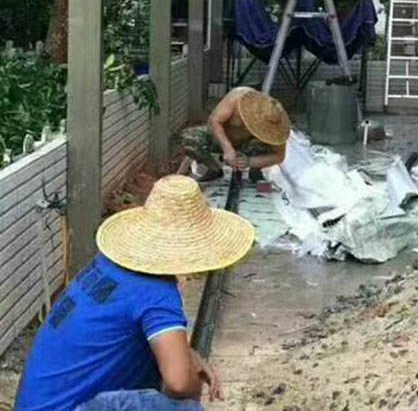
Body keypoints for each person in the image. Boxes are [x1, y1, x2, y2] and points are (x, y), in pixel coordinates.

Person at [14, 175, 255, 411]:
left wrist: (188, 355)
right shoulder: (157, 293)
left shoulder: (104, 267)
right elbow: (179, 384)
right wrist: (190, 378)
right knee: (185, 406)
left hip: (41, 403)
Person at [182, 87, 291, 183]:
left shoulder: (277, 127)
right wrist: (227, 148)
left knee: (266, 149)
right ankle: (213, 169)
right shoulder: (237, 97)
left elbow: (279, 156)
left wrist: (249, 162)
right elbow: (215, 121)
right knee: (191, 138)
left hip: (247, 148)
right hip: (219, 140)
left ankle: (255, 172)